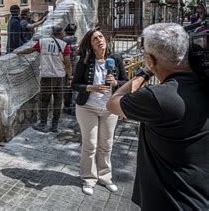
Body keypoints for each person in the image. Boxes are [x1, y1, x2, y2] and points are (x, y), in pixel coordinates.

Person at [107, 23, 209, 210]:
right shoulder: (203, 84)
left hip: (170, 202)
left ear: (150, 59)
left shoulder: (158, 98)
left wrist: (144, 72)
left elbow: (113, 102)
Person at [71, 29, 128, 196]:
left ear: (106, 39)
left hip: (110, 109)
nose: (99, 40)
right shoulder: (85, 61)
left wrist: (116, 82)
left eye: (101, 37)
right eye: (95, 39)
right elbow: (75, 85)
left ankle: (105, 176)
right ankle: (89, 178)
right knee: (90, 145)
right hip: (87, 108)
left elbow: (126, 82)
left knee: (106, 145)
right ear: (91, 44)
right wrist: (91, 87)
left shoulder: (116, 59)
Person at [15, 26, 72, 132]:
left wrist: (19, 52)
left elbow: (31, 49)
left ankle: (43, 124)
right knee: (58, 101)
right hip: (59, 78)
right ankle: (54, 126)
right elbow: (68, 64)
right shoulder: (65, 45)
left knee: (44, 101)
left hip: (46, 77)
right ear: (59, 33)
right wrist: (69, 77)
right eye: (63, 32)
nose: (64, 34)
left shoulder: (42, 42)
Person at [63, 23, 79, 115]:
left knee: (67, 86)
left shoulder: (66, 39)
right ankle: (74, 107)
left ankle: (67, 106)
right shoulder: (74, 38)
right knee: (74, 87)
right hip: (75, 64)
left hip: (68, 65)